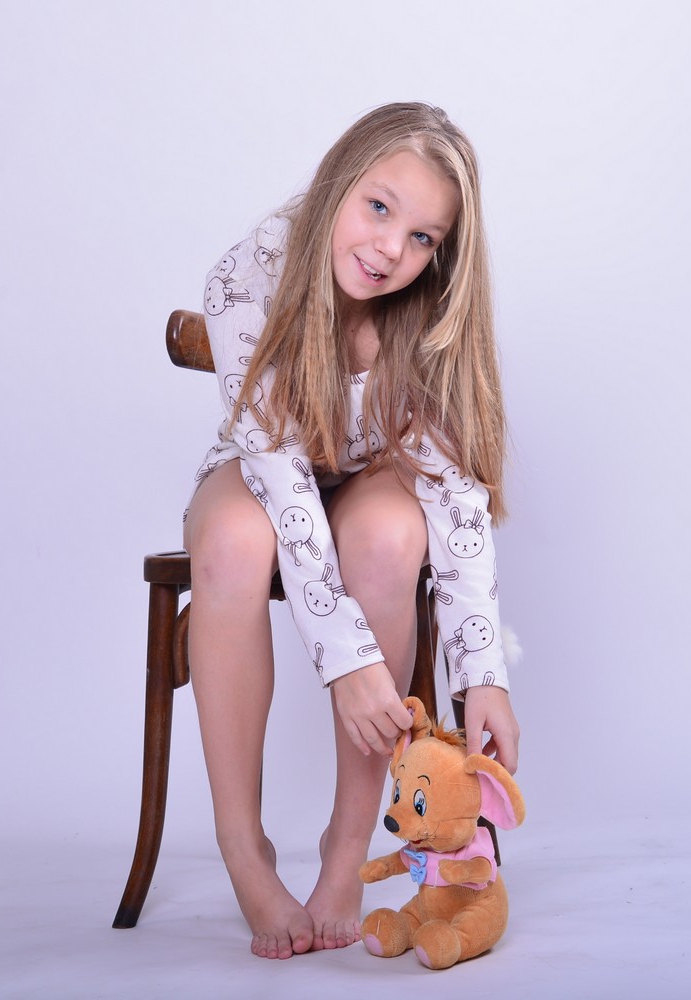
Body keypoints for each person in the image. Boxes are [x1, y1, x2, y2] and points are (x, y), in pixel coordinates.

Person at [182, 102, 521, 960]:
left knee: (387, 539)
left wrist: (483, 675)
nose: (389, 249)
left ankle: (347, 845)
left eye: (423, 238)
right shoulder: (249, 275)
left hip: (372, 472)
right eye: (378, 207)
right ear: (340, 178)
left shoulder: (429, 314)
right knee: (233, 542)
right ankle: (242, 846)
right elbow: (281, 478)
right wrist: (347, 660)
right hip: (270, 464)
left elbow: (455, 497)